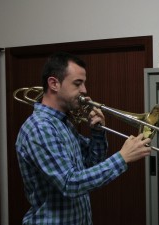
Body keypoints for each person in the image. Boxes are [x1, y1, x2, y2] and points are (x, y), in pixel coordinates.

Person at [15, 52, 152, 225]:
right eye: (77, 83)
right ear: (54, 84)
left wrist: (97, 132)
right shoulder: (41, 128)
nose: (84, 90)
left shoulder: (63, 123)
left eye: (83, 83)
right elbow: (69, 184)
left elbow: (91, 164)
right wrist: (122, 158)